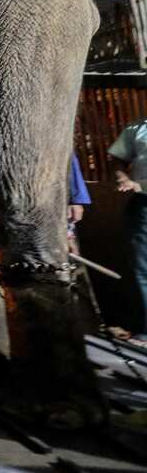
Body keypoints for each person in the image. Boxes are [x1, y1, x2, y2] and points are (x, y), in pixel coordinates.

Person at [111, 118, 147, 343]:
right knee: (143, 269)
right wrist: (122, 176)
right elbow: (116, 158)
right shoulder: (138, 128)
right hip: (144, 205)